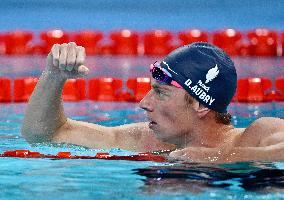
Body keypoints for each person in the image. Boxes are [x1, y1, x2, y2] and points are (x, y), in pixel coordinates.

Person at [21, 42, 284, 163]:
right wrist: (53, 76)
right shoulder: (150, 140)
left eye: (160, 92)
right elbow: (45, 134)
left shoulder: (257, 134)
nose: (143, 103)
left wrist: (219, 157)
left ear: (201, 104)